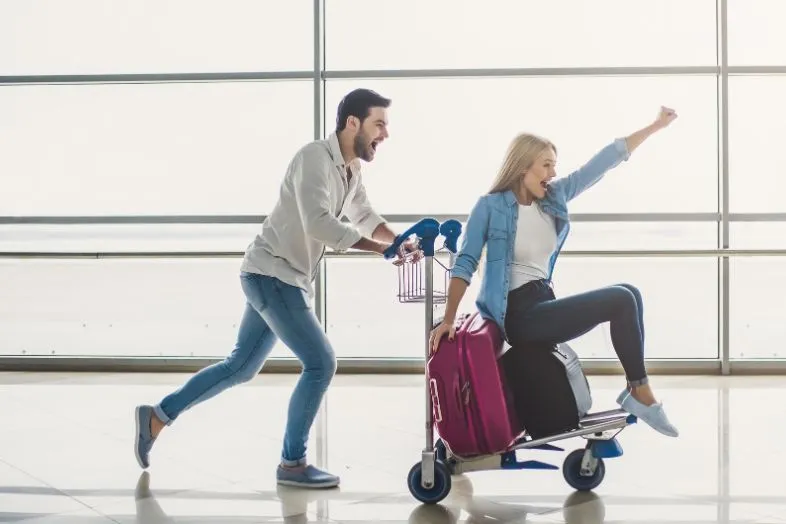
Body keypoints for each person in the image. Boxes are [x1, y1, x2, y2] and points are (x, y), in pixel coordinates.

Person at [133, 88, 420, 488]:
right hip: (273, 274)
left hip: (280, 277)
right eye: (379, 124)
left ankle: (156, 416)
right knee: (321, 363)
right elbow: (319, 224)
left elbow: (365, 216)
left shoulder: (351, 171)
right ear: (352, 122)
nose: (385, 134)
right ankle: (292, 464)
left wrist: (398, 241)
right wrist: (382, 249)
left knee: (240, 367)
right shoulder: (314, 159)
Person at [428, 106, 680, 438]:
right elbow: (465, 263)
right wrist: (447, 319)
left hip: (541, 302)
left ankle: (637, 389)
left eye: (554, 165)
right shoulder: (490, 207)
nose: (552, 172)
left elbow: (602, 162)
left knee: (628, 292)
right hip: (518, 315)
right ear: (523, 168)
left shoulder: (554, 198)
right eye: (546, 164)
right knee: (620, 299)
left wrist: (654, 127)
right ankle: (640, 392)